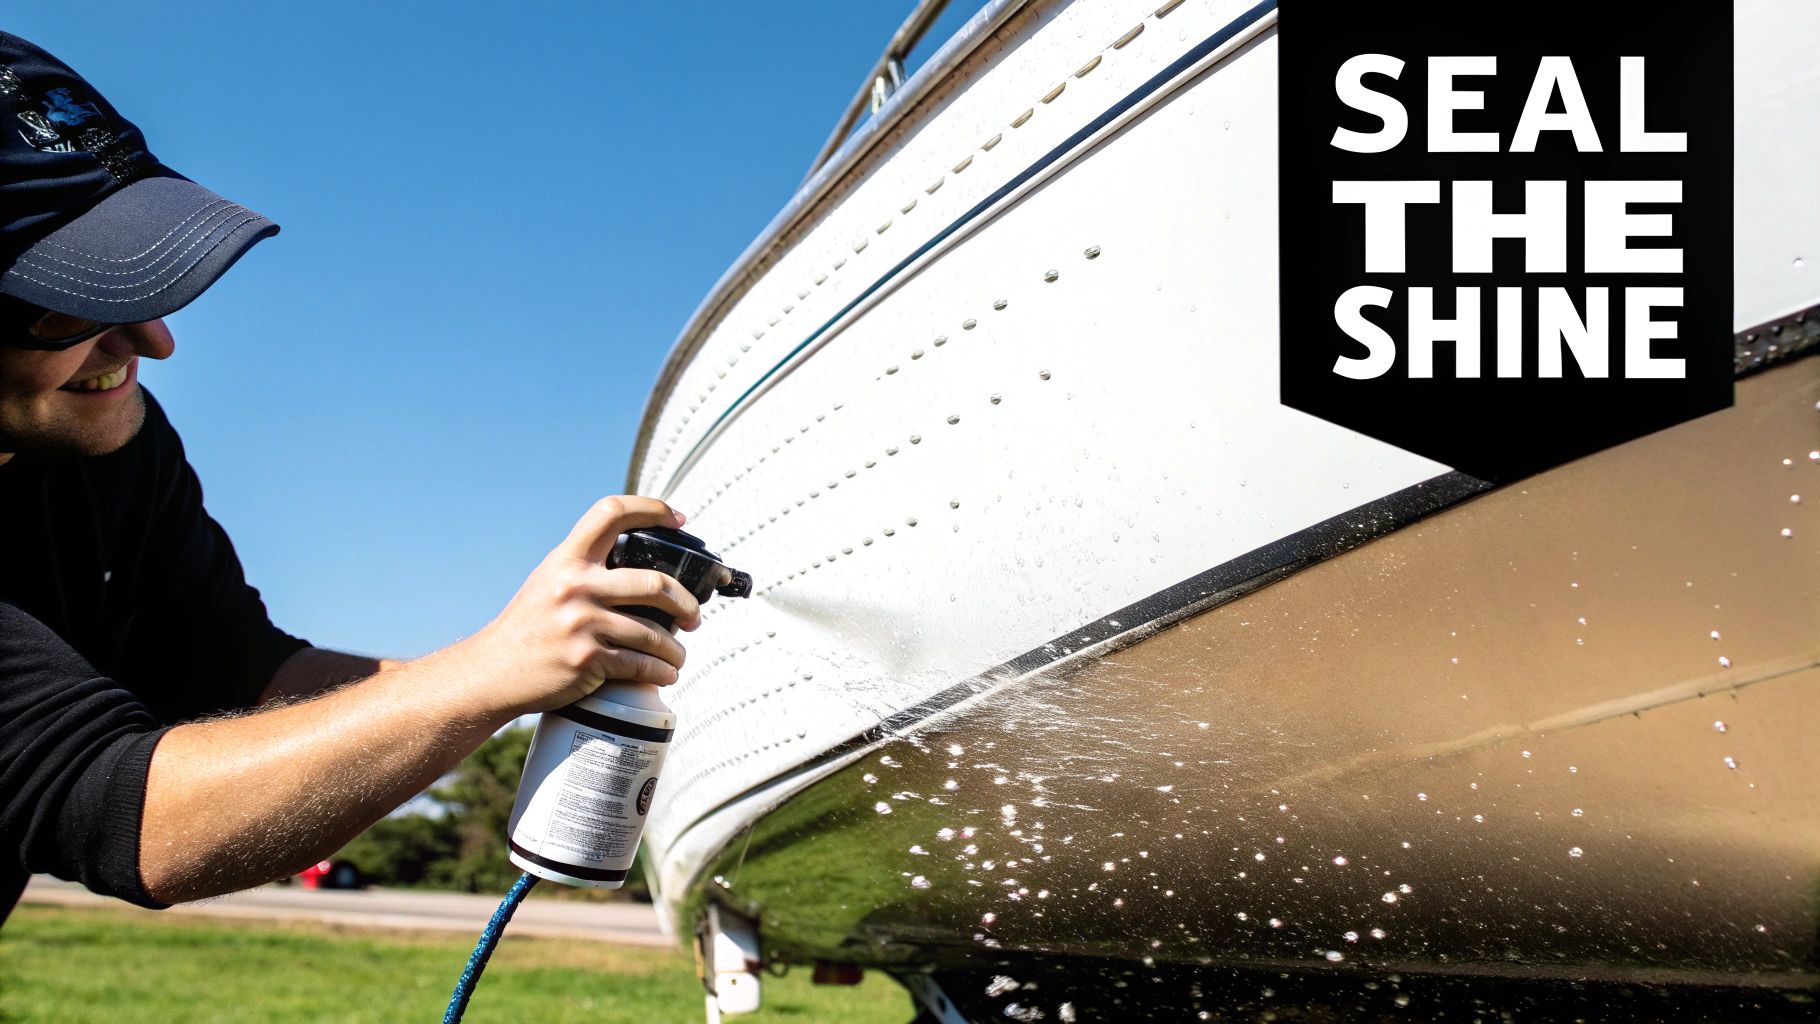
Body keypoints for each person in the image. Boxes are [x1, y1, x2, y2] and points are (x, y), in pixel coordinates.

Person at [0, 32, 696, 923]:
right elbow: (127, 815)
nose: (153, 342)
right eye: (74, 307)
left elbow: (245, 671)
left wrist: (534, 663)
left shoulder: (111, 445)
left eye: (146, 288)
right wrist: (487, 675)